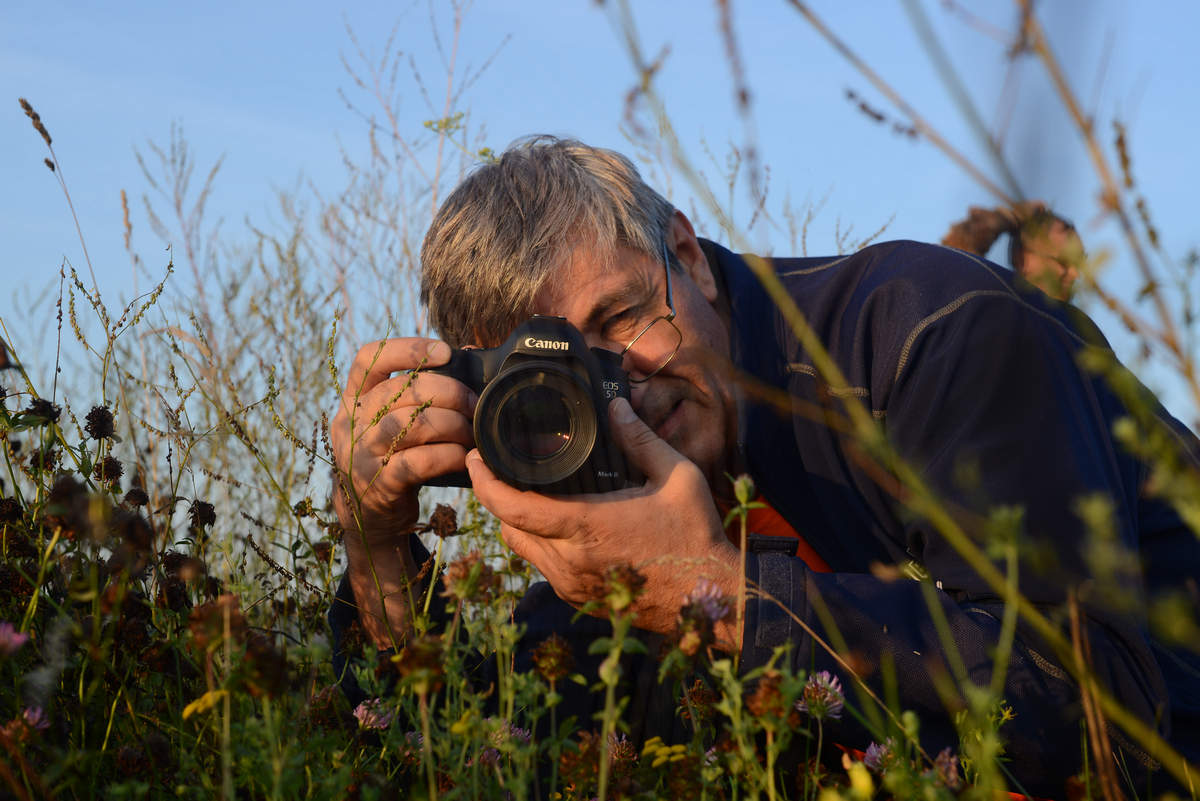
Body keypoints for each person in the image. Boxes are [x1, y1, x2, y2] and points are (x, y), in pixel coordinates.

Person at [329, 136, 1199, 796]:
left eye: (624, 315)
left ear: (692, 259)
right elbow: (470, 751)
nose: (618, 388)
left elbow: (1110, 713)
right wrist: (373, 542)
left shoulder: (926, 339)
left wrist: (717, 592)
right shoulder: (623, 496)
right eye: (559, 381)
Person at [941, 201, 1084, 300]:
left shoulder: (1082, 335)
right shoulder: (999, 311)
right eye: (1064, 262)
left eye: (1080, 264)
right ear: (1023, 259)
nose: (1075, 274)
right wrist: (1003, 218)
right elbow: (951, 269)